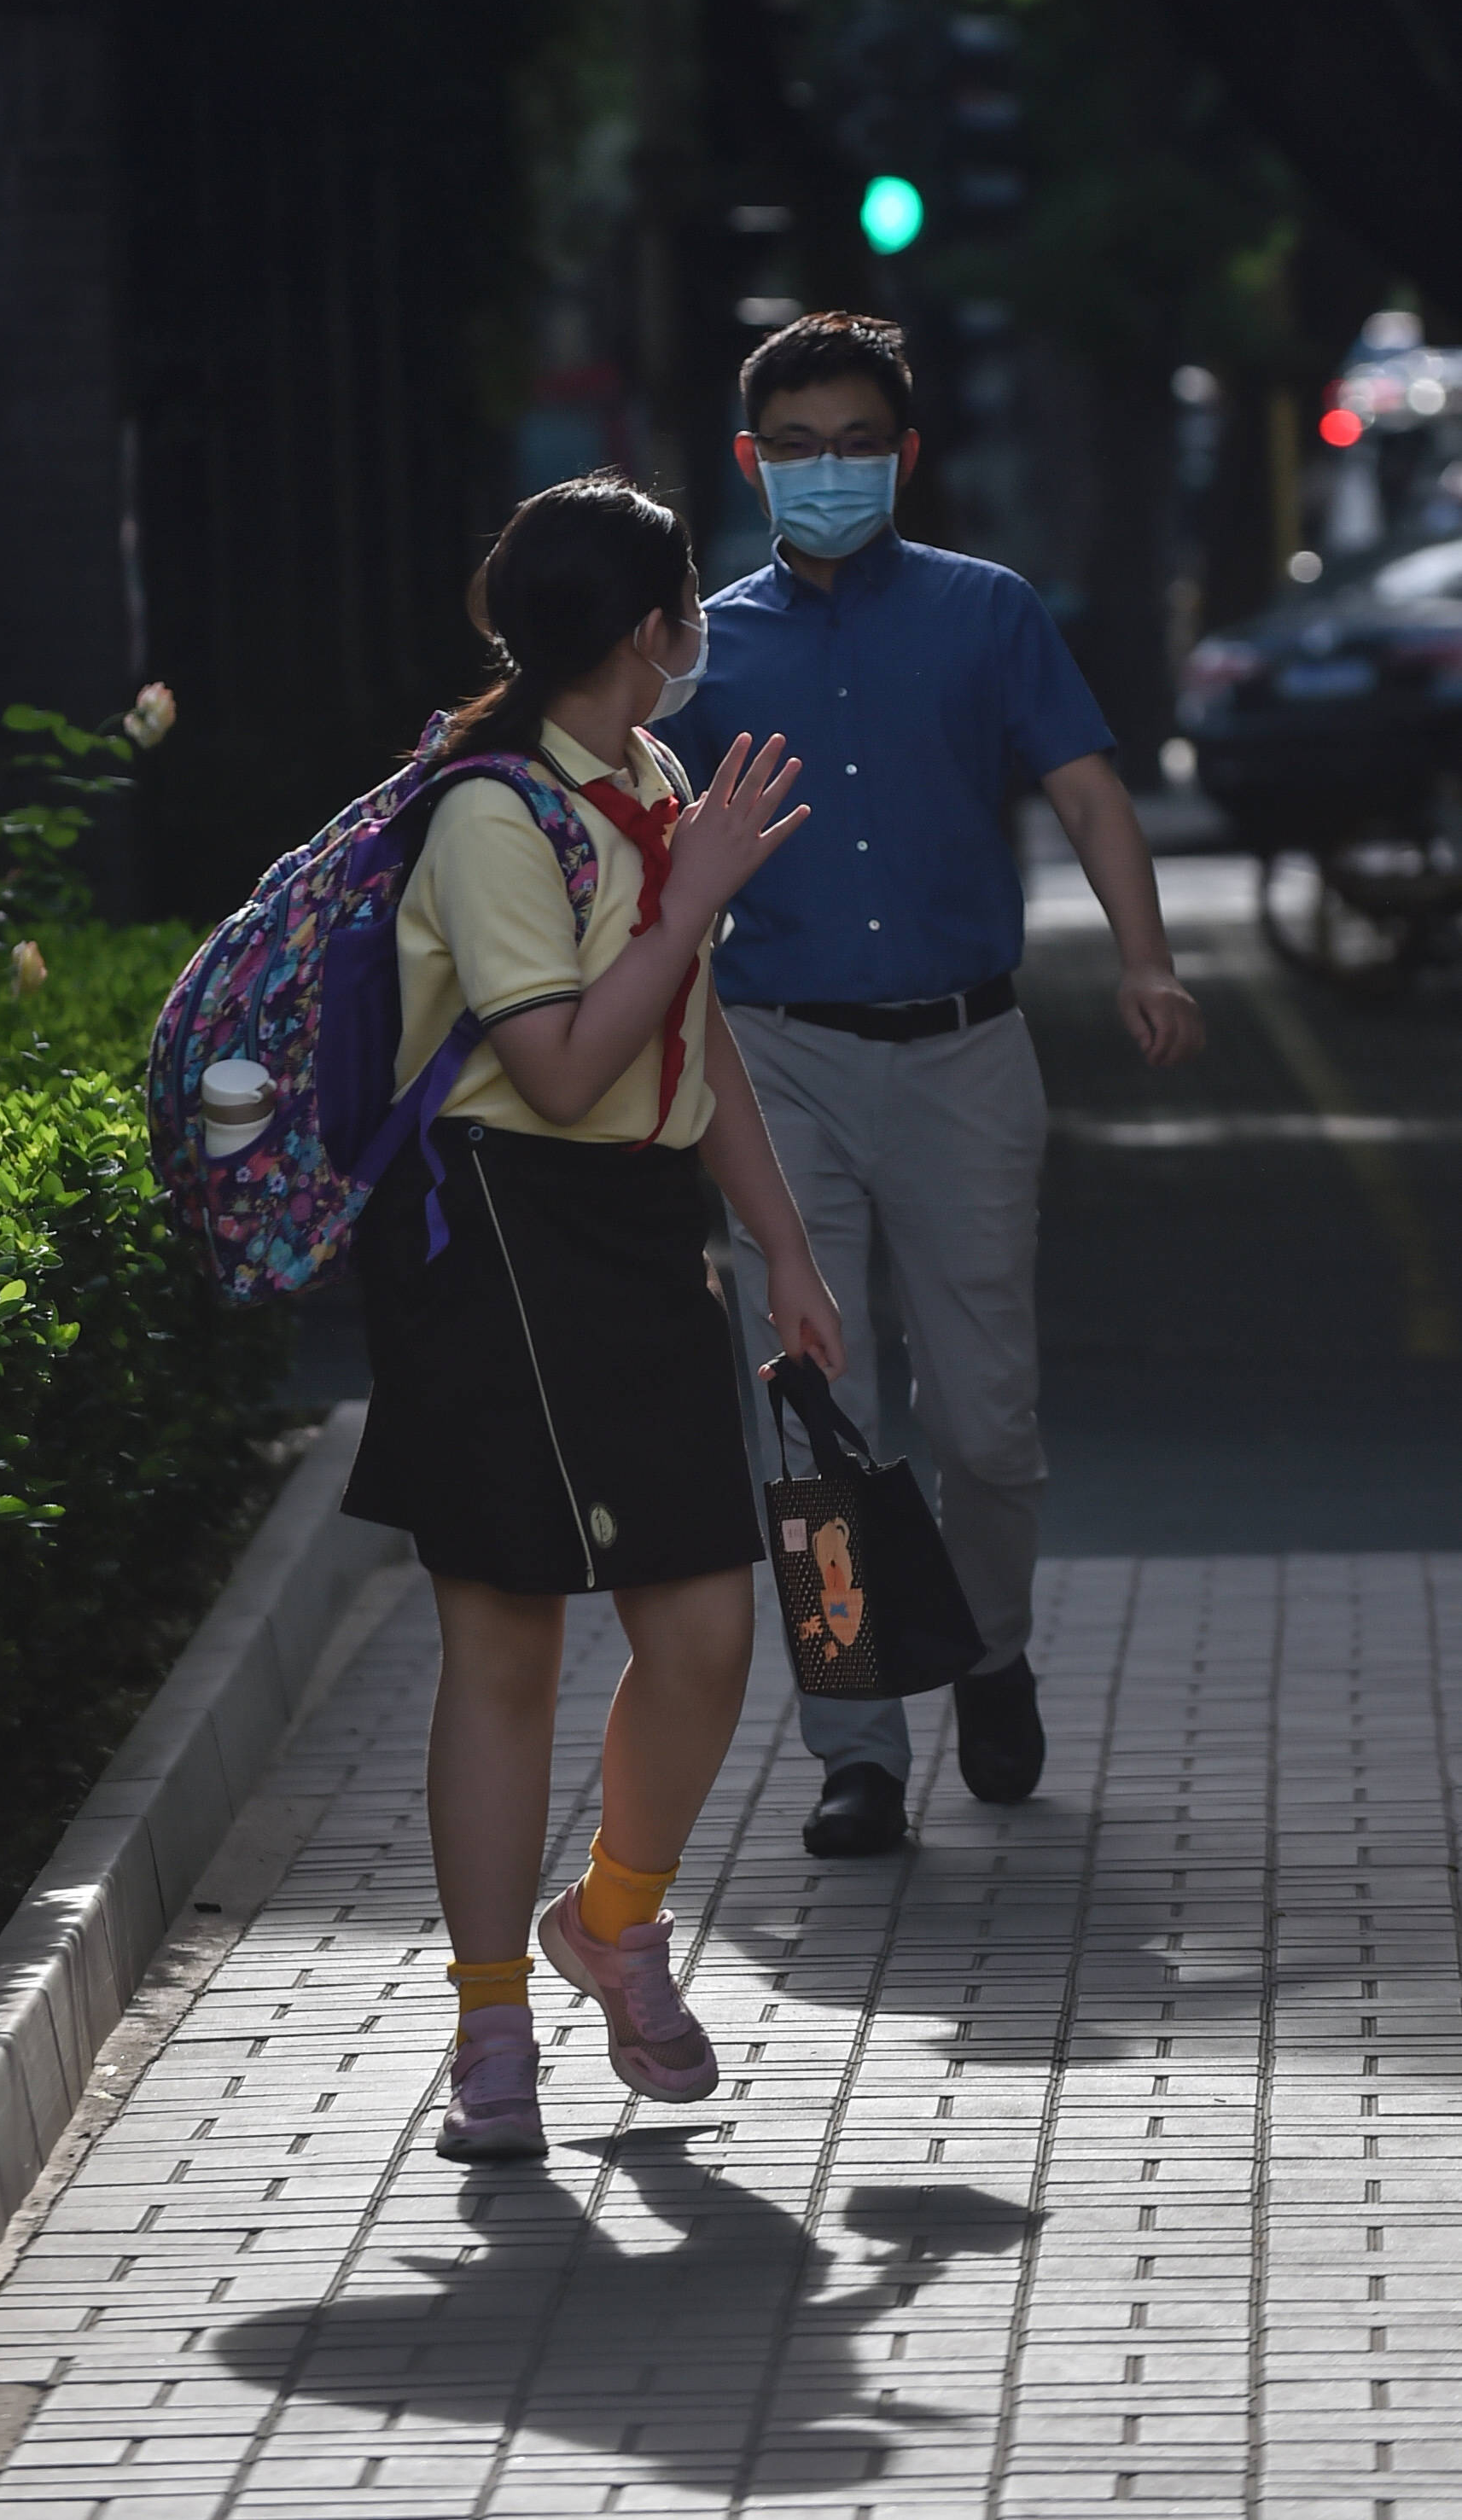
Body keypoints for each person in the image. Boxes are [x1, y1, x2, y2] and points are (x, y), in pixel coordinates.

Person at [341, 475, 845, 2162]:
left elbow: (691, 1053)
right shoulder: (493, 812)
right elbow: (555, 1063)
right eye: (686, 603)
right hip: (495, 1238)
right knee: (508, 1650)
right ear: (651, 628)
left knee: (703, 1634)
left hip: (639, 1239)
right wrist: (691, 892)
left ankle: (609, 1918)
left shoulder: (655, 781)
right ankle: (494, 2025)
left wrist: (783, 1248)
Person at [660, 312, 1205, 1859]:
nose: (828, 471)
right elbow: (631, 840)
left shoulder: (988, 614)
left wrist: (1148, 961)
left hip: (968, 1052)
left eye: (858, 444)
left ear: (903, 458)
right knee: (813, 1420)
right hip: (777, 1063)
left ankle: (990, 1647)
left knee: (988, 1421)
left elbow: (1090, 791)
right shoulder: (699, 649)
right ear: (753, 462)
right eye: (797, 446)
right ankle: (858, 1750)